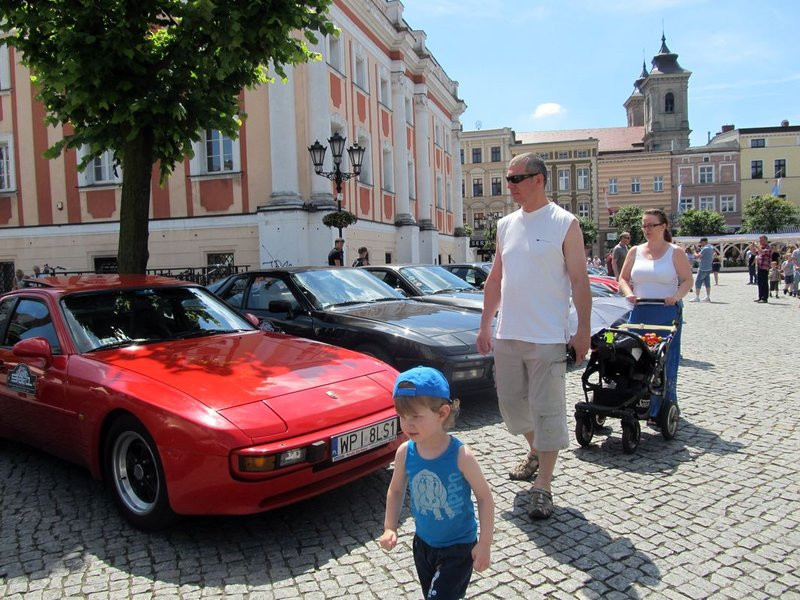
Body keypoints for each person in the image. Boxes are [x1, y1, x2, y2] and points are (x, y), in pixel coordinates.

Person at [476, 152, 591, 520]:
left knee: (547, 410)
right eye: (507, 180)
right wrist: (484, 324)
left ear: (538, 179)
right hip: (508, 332)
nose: (508, 186)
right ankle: (535, 451)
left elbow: (579, 281)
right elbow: (496, 278)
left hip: (546, 336)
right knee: (512, 406)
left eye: (515, 179)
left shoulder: (564, 223)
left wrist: (582, 330)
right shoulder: (505, 225)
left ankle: (543, 485)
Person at [379, 366, 494, 600]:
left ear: (442, 413)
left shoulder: (461, 455)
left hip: (458, 547)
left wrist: (484, 544)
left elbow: (485, 497)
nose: (407, 424)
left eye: (416, 416)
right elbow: (396, 489)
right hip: (423, 544)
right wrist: (390, 526)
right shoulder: (405, 452)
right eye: (402, 416)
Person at [617, 208, 693, 426]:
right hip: (640, 311)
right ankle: (636, 400)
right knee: (635, 356)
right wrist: (629, 293)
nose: (647, 229)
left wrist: (675, 296)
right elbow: (623, 278)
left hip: (665, 312)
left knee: (664, 360)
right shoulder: (635, 251)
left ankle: (664, 404)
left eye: (651, 225)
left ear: (663, 226)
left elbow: (687, 280)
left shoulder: (674, 252)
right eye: (644, 225)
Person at [690, 237, 716, 302]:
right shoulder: (711, 247)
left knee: (698, 282)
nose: (701, 244)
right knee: (707, 282)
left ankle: (697, 297)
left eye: (701, 242)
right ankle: (708, 297)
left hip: (703, 268)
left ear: (704, 242)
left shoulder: (705, 249)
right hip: (709, 268)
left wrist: (693, 251)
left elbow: (697, 256)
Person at [753, 236, 771, 303]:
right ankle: (760, 297)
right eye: (760, 240)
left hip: (765, 267)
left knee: (764, 283)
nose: (760, 242)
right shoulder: (761, 247)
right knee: (760, 283)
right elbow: (754, 253)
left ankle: (765, 298)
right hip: (760, 267)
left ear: (766, 240)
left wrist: (757, 246)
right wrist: (752, 246)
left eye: (762, 240)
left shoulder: (768, 247)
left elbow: (762, 252)